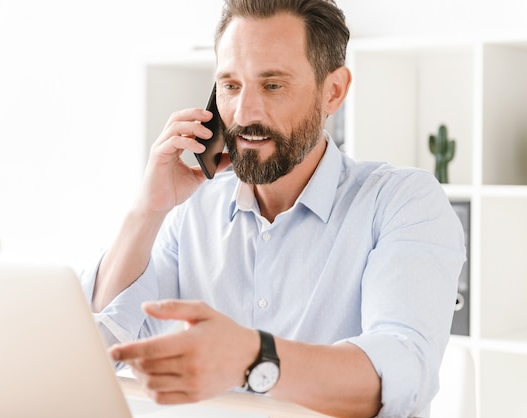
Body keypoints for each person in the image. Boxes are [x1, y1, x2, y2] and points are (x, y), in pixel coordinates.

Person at [79, 0, 466, 416]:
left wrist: (252, 356)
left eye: (272, 85)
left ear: (333, 90)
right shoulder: (193, 212)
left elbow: (398, 377)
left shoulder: (402, 202)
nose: (244, 114)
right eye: (230, 86)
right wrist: (147, 210)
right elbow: (97, 348)